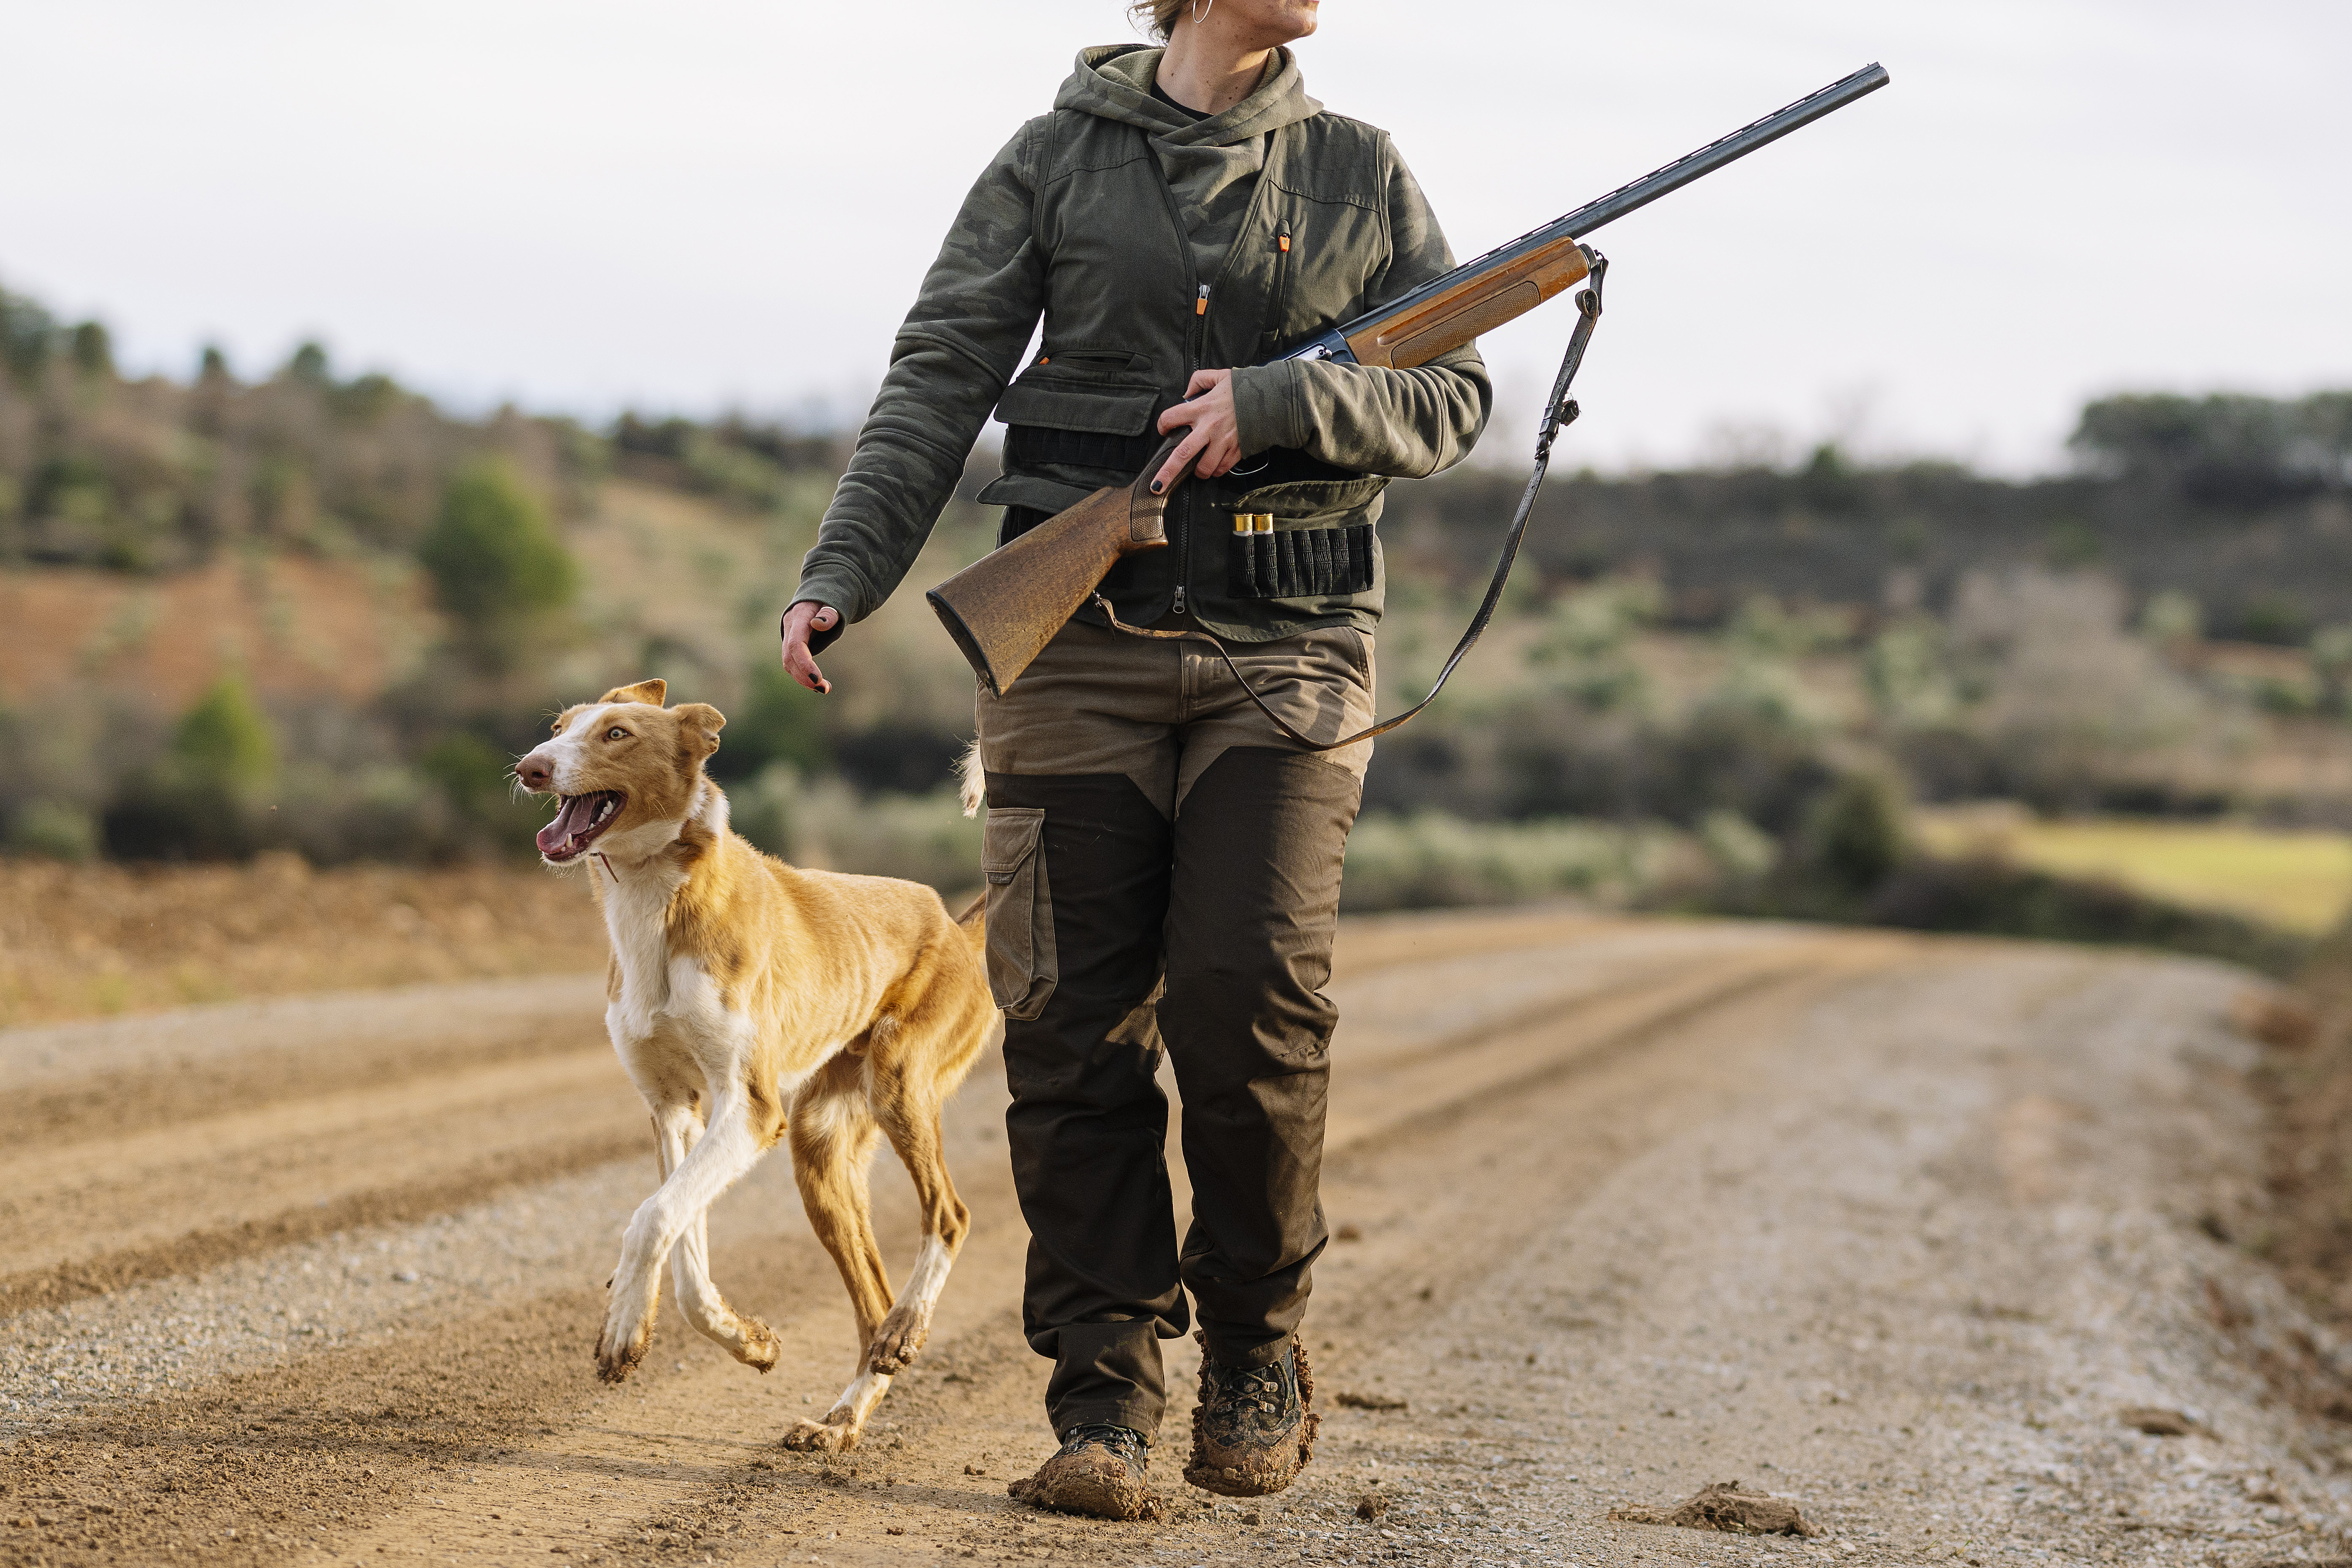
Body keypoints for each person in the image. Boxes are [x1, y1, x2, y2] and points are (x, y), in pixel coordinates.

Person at [779, 0, 1489, 1522]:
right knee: (1070, 1029)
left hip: (1291, 652)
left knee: (1250, 998)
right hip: (1072, 650)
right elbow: (940, 372)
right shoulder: (1049, 160)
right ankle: (1101, 1403)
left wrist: (1280, 402)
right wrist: (847, 567)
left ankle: (1255, 1353)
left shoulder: (1362, 171)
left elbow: (1454, 396)